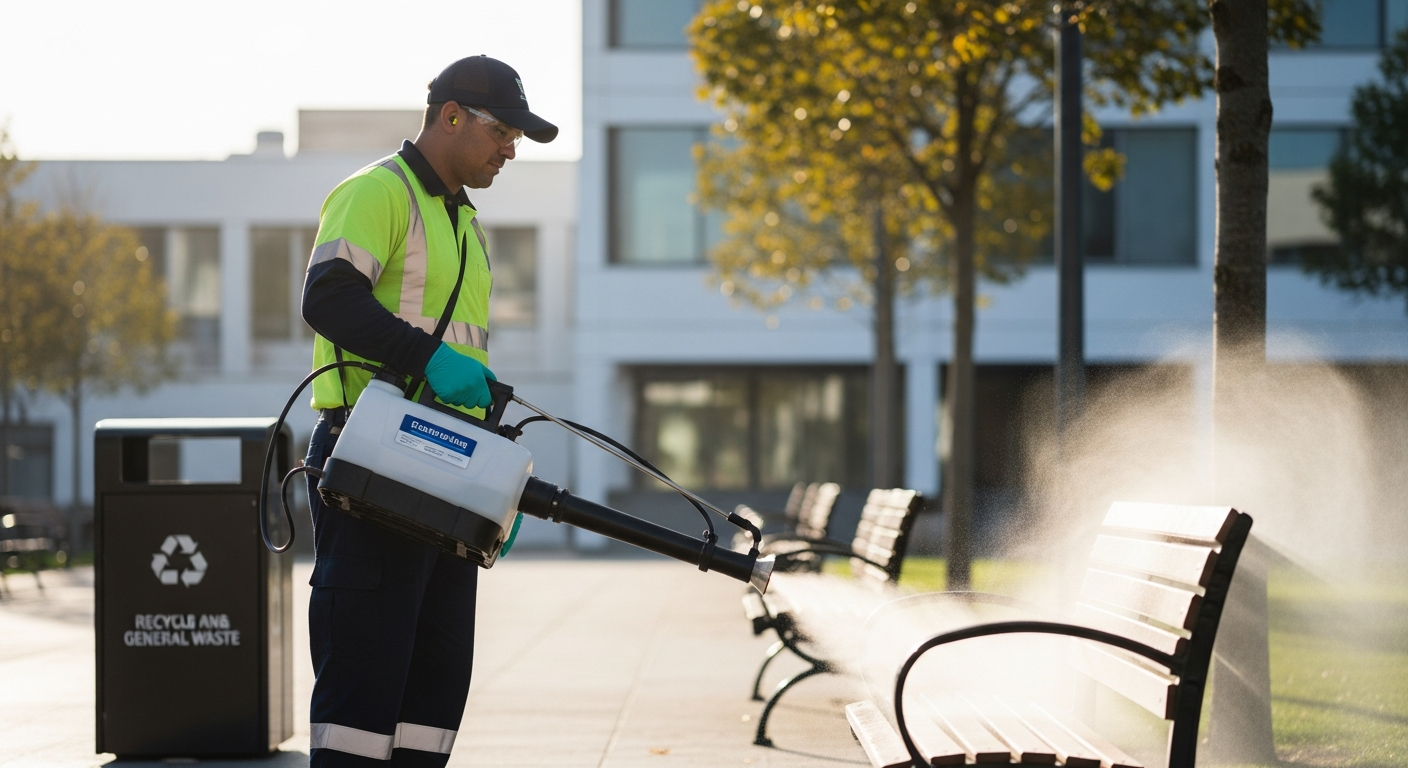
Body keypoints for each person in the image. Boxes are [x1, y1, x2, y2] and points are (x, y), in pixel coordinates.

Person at [299, 55, 556, 767]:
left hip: (439, 470)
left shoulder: (464, 226)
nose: (511, 151)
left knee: (434, 694)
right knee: (364, 694)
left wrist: (488, 490)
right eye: (503, 132)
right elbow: (326, 298)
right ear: (450, 117)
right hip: (369, 467)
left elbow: (455, 361)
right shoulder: (376, 193)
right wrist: (429, 360)